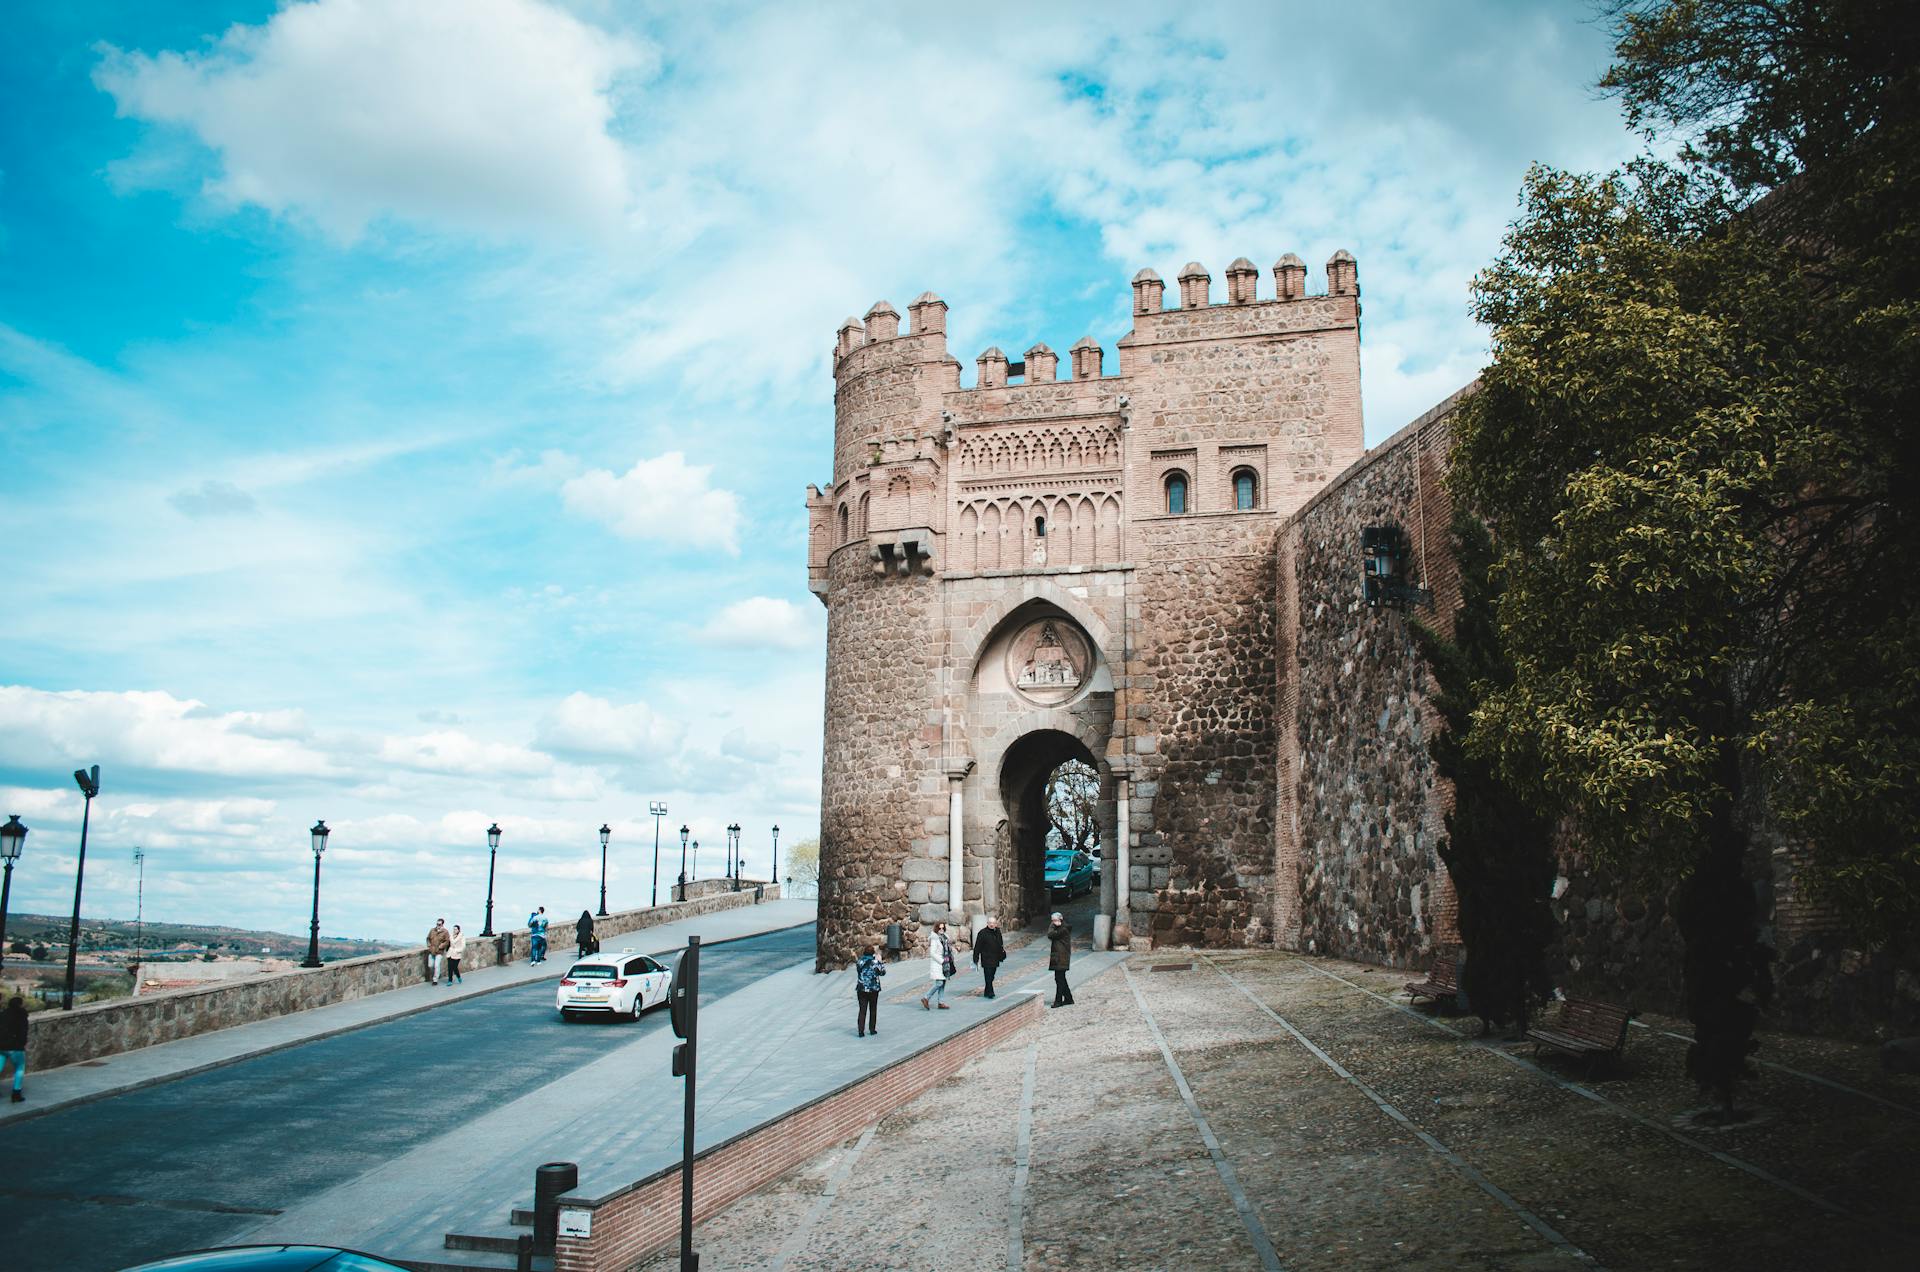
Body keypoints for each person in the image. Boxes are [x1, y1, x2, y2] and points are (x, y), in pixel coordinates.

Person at [920, 920, 953, 1011]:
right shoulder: (935, 938)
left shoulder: (945, 938)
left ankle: (941, 1002)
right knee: (939, 983)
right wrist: (942, 961)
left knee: (943, 983)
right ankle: (926, 997)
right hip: (939, 964)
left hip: (945, 964)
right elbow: (932, 953)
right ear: (936, 929)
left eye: (943, 928)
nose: (941, 929)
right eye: (940, 928)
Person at [855, 944, 886, 1036]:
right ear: (873, 953)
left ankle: (861, 1031)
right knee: (873, 1009)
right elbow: (883, 973)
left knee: (862, 1010)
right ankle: (872, 1029)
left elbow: (859, 971)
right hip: (873, 988)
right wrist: (879, 961)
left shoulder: (859, 961)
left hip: (861, 988)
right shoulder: (876, 962)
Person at [973, 916, 1006, 999]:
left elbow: (1000, 942)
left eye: (993, 923)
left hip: (995, 957)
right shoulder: (982, 933)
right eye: (990, 923)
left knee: (992, 975)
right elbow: (977, 947)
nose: (992, 925)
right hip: (986, 957)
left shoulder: (997, 931)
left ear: (996, 924)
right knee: (988, 975)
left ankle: (987, 991)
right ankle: (990, 992)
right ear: (987, 923)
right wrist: (975, 958)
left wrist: (1001, 951)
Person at [1, 995, 27, 1103]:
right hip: (16, 1047)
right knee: (19, 1068)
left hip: (1, 1046)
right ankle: (16, 1094)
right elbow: (23, 1032)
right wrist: (22, 1044)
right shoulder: (21, 1015)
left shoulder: (2, 1014)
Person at [1047, 912, 1074, 1008]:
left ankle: (1058, 1000)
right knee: (1060, 978)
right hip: (1058, 957)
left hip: (1061, 958)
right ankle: (1068, 998)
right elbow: (1050, 934)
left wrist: (1053, 926)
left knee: (1059, 979)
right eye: (1052, 921)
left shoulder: (1063, 929)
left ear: (1060, 920)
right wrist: (1054, 924)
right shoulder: (1059, 928)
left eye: (1054, 921)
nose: (1053, 923)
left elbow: (1051, 934)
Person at [426, 919, 451, 984]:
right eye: (437, 924)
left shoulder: (445, 932)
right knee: (430, 965)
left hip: (439, 952)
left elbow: (447, 941)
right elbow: (428, 938)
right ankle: (436, 974)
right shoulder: (432, 930)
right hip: (431, 951)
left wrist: (441, 946)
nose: (437, 925)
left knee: (436, 965)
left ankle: (435, 979)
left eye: (439, 924)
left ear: (442, 924)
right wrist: (429, 945)